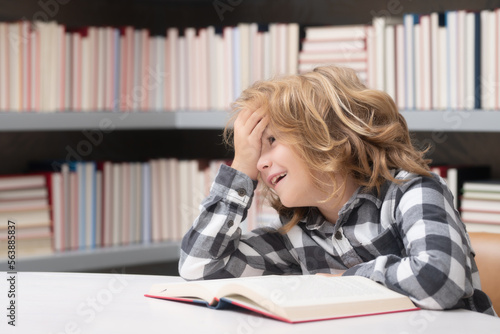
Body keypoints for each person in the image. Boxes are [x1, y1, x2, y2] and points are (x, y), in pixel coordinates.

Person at [178, 65, 496, 316]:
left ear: (326, 135)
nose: (260, 164)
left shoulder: (412, 190)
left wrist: (347, 282)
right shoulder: (295, 234)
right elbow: (200, 267)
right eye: (256, 154)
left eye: (271, 141)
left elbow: (440, 278)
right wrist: (240, 168)